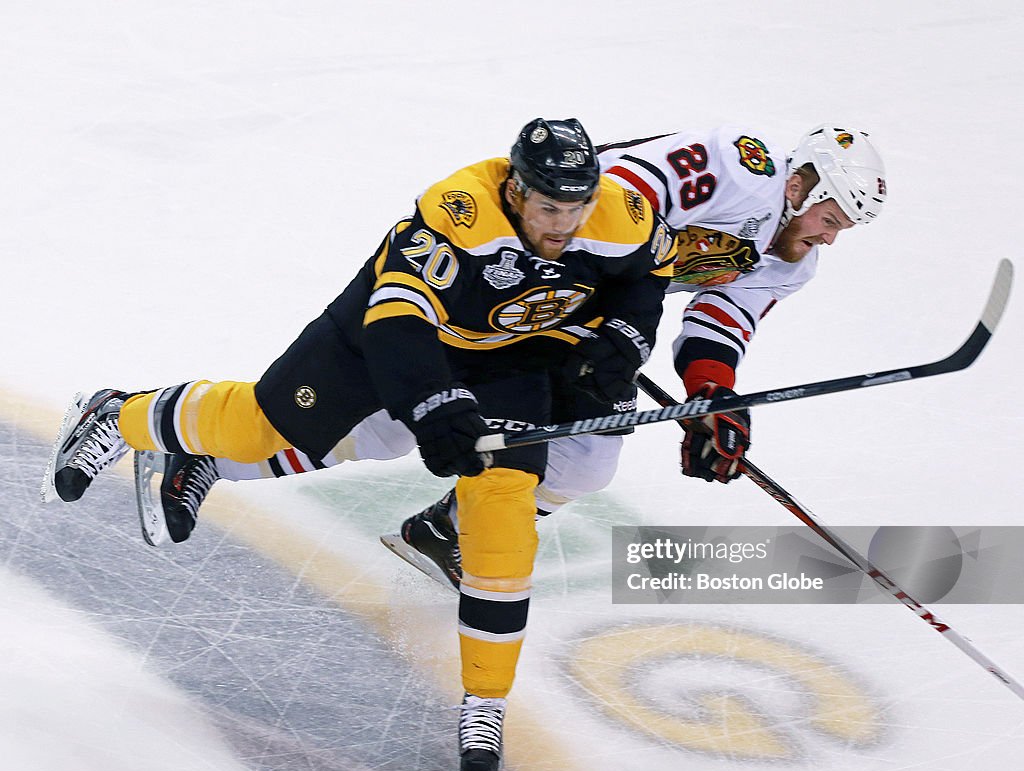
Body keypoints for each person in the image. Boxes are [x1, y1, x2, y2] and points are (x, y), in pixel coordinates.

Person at [43, 117, 677, 771]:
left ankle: (485, 701)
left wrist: (629, 338)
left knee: (502, 512)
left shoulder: (622, 213)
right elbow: (399, 319)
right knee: (264, 426)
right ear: (517, 191)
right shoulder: (460, 210)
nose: (566, 223)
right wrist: (434, 404)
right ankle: (119, 414)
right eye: (551, 206)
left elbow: (651, 274)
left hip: (509, 357)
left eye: (577, 205)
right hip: (385, 332)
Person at [140, 124, 886, 592]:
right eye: (831, 215)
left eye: (845, 227)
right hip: (547, 284)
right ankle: (205, 452)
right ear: (800, 182)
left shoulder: (793, 260)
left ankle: (443, 531)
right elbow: (622, 194)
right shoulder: (738, 165)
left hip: (600, 324)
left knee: (586, 465)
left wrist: (713, 401)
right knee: (394, 426)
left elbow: (722, 321)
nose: (829, 235)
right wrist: (610, 307)